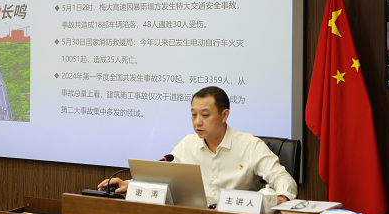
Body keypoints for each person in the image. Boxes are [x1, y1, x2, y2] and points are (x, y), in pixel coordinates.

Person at [98, 86, 297, 206]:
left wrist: (280, 198)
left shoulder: (250, 145)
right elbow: (162, 178)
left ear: (224, 115)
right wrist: (129, 184)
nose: (197, 122)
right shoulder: (188, 144)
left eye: (205, 115)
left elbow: (283, 178)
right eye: (193, 115)